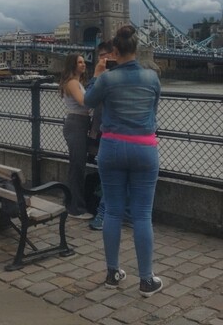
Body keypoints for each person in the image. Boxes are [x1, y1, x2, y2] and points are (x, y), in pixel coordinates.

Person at [84, 25, 163, 297]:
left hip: (112, 147)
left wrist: (96, 75)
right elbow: (153, 112)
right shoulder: (152, 77)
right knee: (142, 214)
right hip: (144, 148)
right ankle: (146, 280)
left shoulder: (107, 79)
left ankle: (112, 273)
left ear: (115, 52)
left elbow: (88, 101)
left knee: (113, 212)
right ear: (136, 50)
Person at [60, 53, 93, 219]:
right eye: (80, 62)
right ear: (72, 65)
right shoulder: (73, 83)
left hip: (79, 123)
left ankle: (72, 203)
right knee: (77, 167)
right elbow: (83, 101)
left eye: (84, 62)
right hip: (76, 124)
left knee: (77, 166)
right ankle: (76, 209)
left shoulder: (76, 82)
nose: (83, 64)